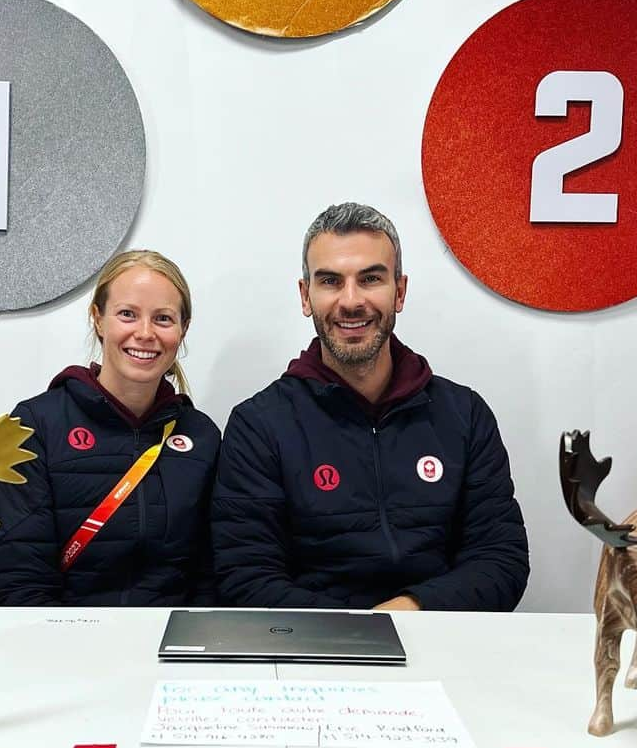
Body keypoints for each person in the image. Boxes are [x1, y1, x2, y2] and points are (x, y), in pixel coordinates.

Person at [212, 202, 529, 610]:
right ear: (305, 296)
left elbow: (500, 560)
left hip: (441, 642)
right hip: (313, 653)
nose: (351, 300)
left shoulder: (465, 415)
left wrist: (409, 610)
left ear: (399, 291)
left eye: (370, 279)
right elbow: (245, 577)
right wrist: (358, 632)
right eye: (330, 281)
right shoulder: (258, 425)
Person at [0, 250, 219, 606]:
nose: (144, 333)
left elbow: (210, 577)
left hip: (171, 646)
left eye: (163, 318)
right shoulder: (33, 426)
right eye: (127, 314)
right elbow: (19, 583)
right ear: (98, 319)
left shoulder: (202, 436)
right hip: (66, 645)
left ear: (182, 329)